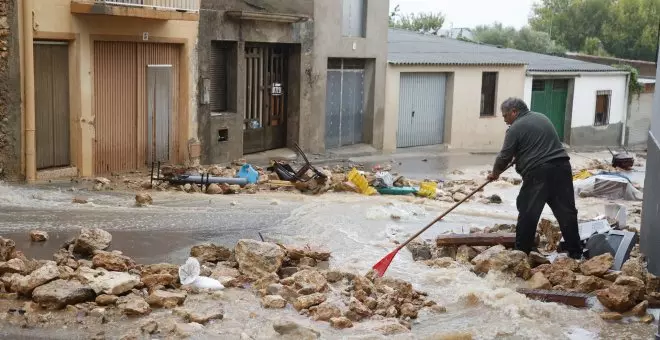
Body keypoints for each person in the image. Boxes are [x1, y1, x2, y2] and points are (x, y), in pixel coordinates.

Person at [487, 97, 582, 259]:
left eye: (505, 116)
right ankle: (575, 253)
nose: (505, 120)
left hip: (539, 172)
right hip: (562, 167)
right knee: (567, 213)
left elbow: (504, 156)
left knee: (528, 211)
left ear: (514, 112)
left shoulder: (515, 128)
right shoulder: (542, 118)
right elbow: (540, 145)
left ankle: (521, 253)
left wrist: (495, 173)